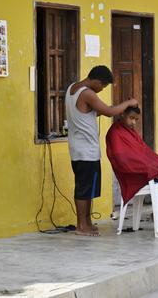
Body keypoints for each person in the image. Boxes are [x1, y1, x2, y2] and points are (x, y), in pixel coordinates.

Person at [65, 65, 138, 236]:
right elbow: (108, 112)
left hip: (77, 148)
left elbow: (88, 113)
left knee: (85, 188)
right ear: (97, 80)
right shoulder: (87, 93)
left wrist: (115, 107)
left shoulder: (72, 89)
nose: (101, 90)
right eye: (103, 86)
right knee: (84, 190)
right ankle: (82, 226)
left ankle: (86, 223)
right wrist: (128, 103)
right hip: (86, 151)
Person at [106, 106, 158, 236]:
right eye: (131, 118)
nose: (134, 122)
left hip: (148, 169)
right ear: (122, 114)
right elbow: (122, 160)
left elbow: (144, 153)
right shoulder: (115, 133)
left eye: (136, 119)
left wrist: (157, 166)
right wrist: (147, 168)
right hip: (137, 174)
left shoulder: (130, 131)